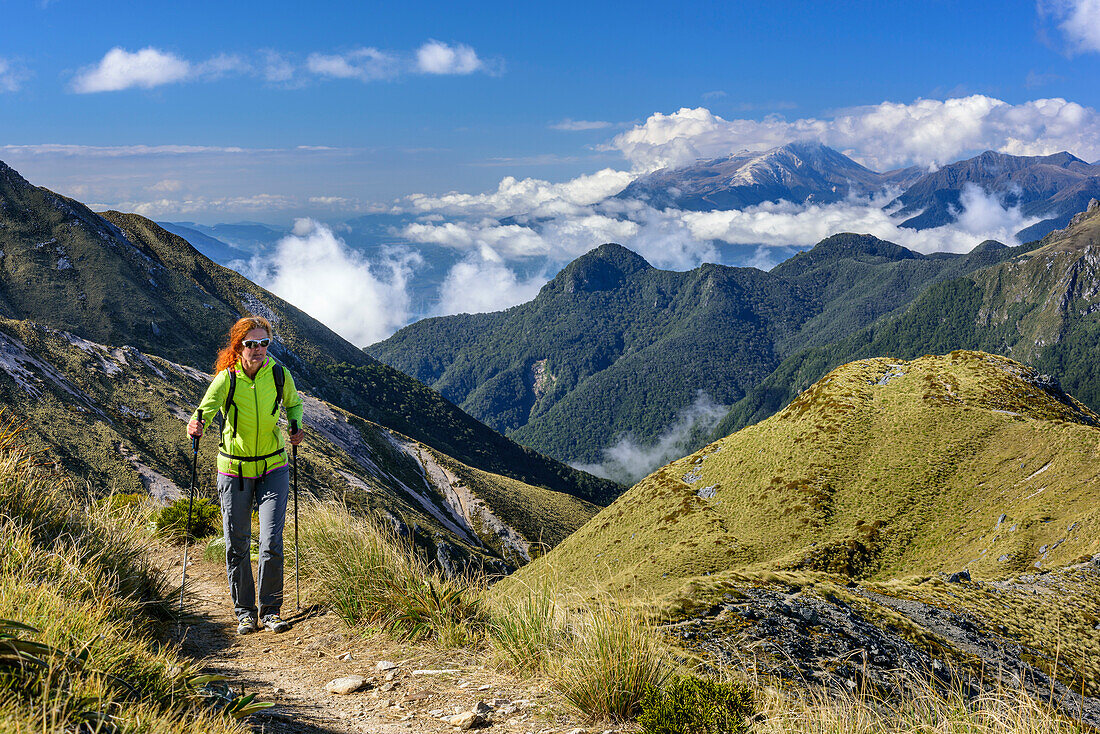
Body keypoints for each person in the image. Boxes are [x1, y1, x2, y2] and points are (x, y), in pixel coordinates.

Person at [187, 316, 304, 635]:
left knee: (270, 541)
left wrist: (295, 425)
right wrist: (195, 427)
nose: (258, 349)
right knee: (237, 542)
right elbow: (204, 411)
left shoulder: (279, 375)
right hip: (234, 469)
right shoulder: (227, 380)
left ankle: (270, 611)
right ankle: (244, 612)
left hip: (273, 467)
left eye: (264, 343)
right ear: (239, 346)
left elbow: (293, 406)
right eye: (251, 344)